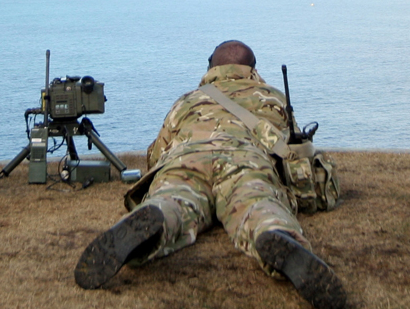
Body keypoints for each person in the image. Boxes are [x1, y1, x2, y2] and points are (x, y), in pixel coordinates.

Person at [74, 41, 346, 309]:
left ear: (211, 67)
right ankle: (272, 230)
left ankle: (158, 216)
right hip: (246, 159)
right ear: (252, 68)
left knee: (173, 198)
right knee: (258, 202)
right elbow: (293, 151)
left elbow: (155, 155)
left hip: (187, 158)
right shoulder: (274, 98)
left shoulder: (187, 101)